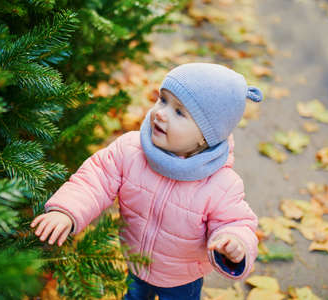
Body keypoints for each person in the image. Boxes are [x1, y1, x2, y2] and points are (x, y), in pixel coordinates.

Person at [30, 63, 263, 300]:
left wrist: (234, 243)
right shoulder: (130, 149)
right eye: (162, 100)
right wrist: (67, 210)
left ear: (206, 136)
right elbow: (96, 178)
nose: (161, 113)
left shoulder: (220, 184)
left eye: (179, 112)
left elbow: (235, 222)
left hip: (181, 278)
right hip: (135, 262)